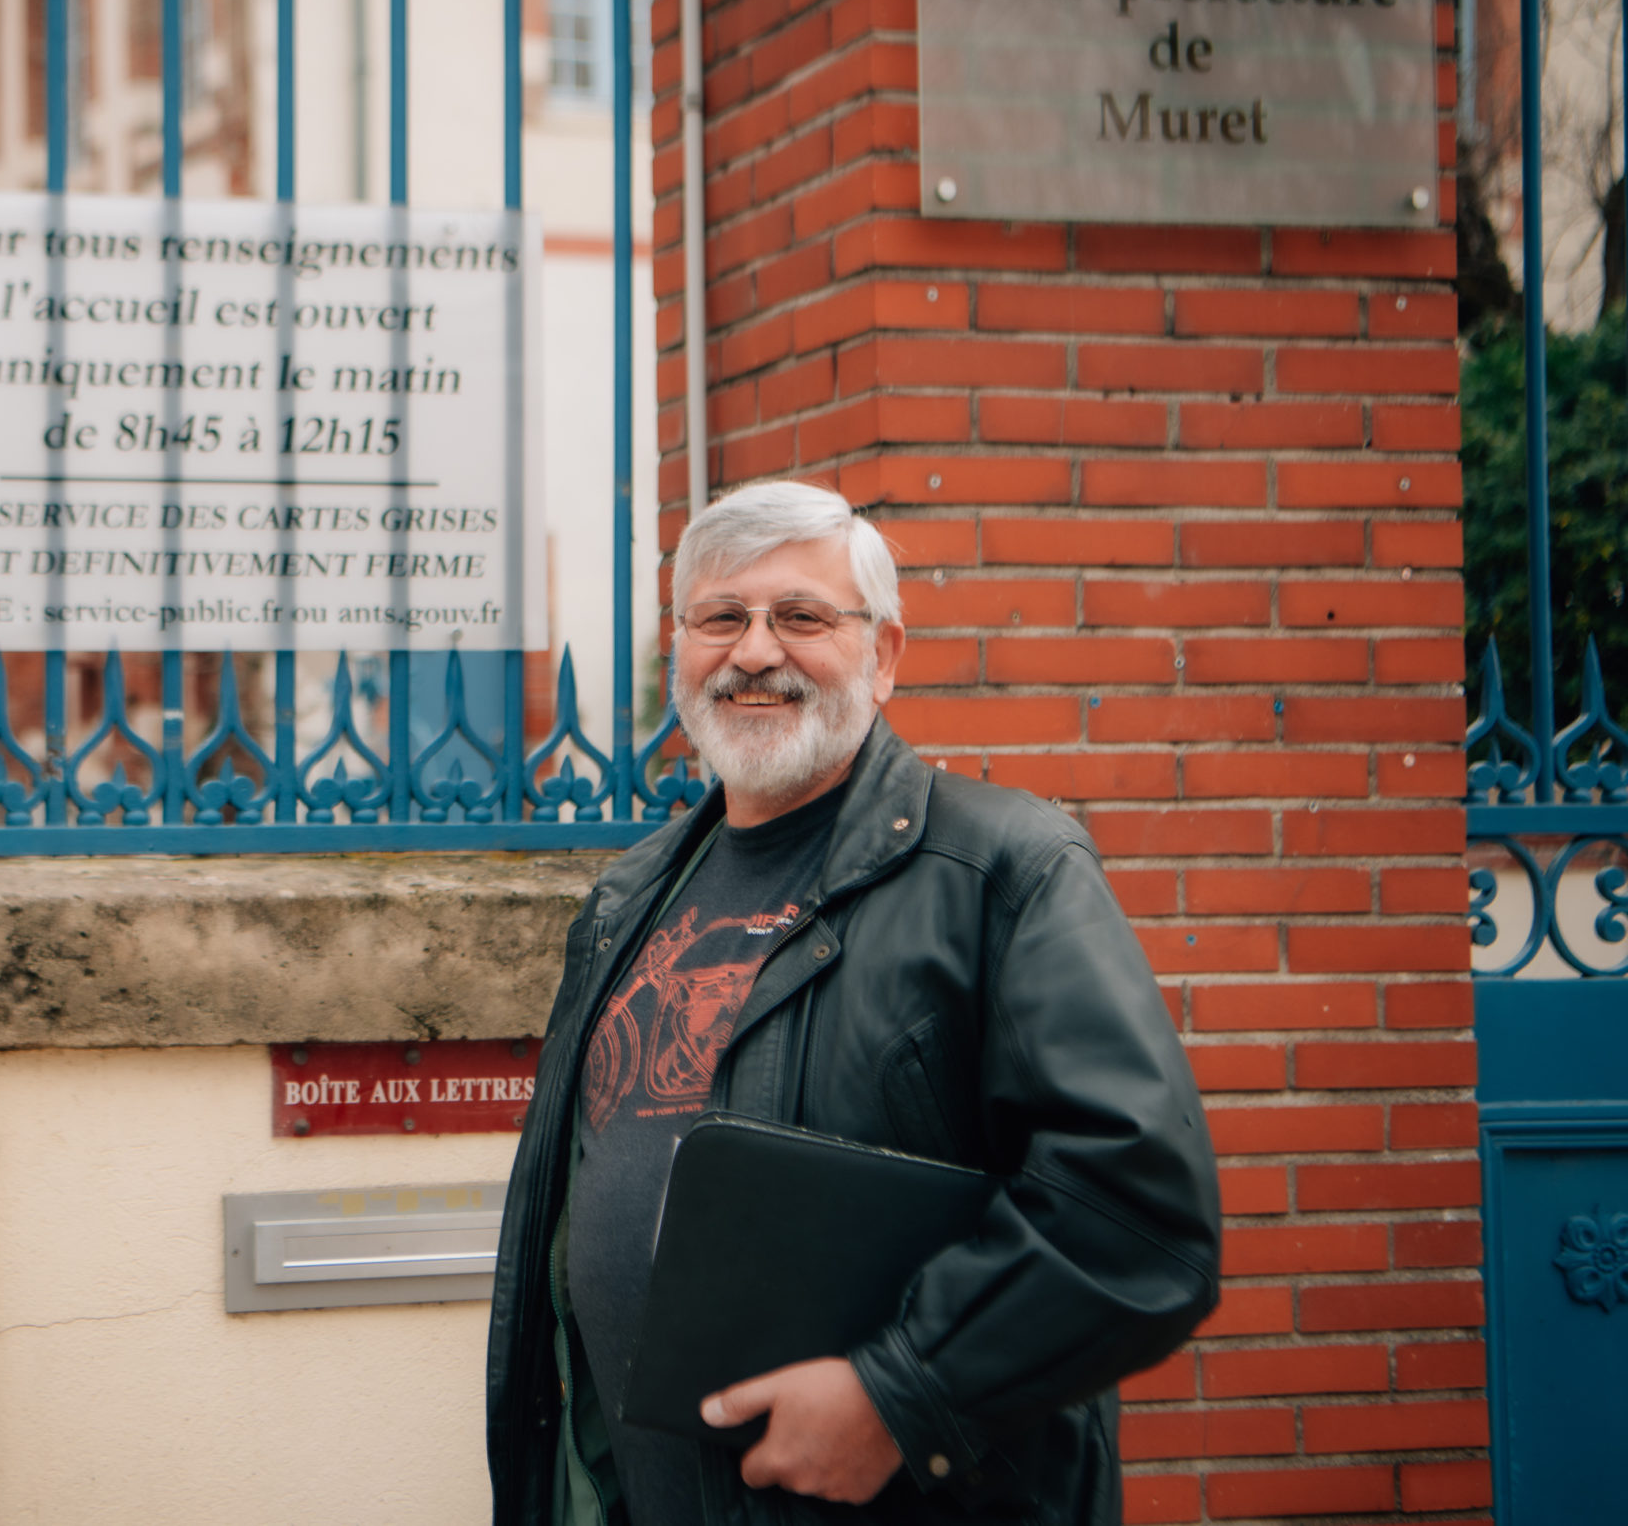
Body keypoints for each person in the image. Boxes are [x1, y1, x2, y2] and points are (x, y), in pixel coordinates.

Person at [485, 479, 1220, 1525]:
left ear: (881, 657)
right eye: (720, 618)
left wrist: (900, 1394)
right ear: (678, 651)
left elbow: (1135, 1213)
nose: (752, 652)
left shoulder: (999, 872)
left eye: (799, 617)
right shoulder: (627, 898)